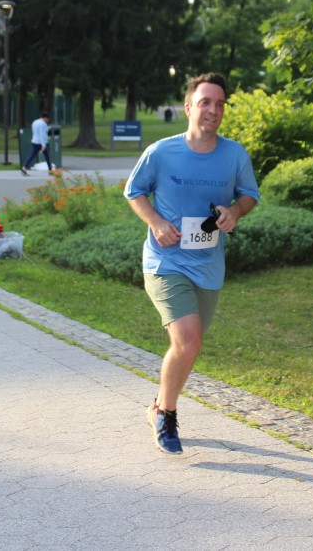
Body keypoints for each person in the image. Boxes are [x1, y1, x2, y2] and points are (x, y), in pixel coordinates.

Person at [124, 72, 260, 455]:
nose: (213, 110)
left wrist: (234, 211)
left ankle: (158, 405)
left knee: (188, 348)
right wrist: (156, 222)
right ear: (188, 107)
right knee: (188, 340)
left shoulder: (234, 154)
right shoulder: (161, 152)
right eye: (205, 102)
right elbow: (134, 191)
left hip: (208, 266)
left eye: (220, 104)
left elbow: (249, 195)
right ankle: (167, 416)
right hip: (165, 262)